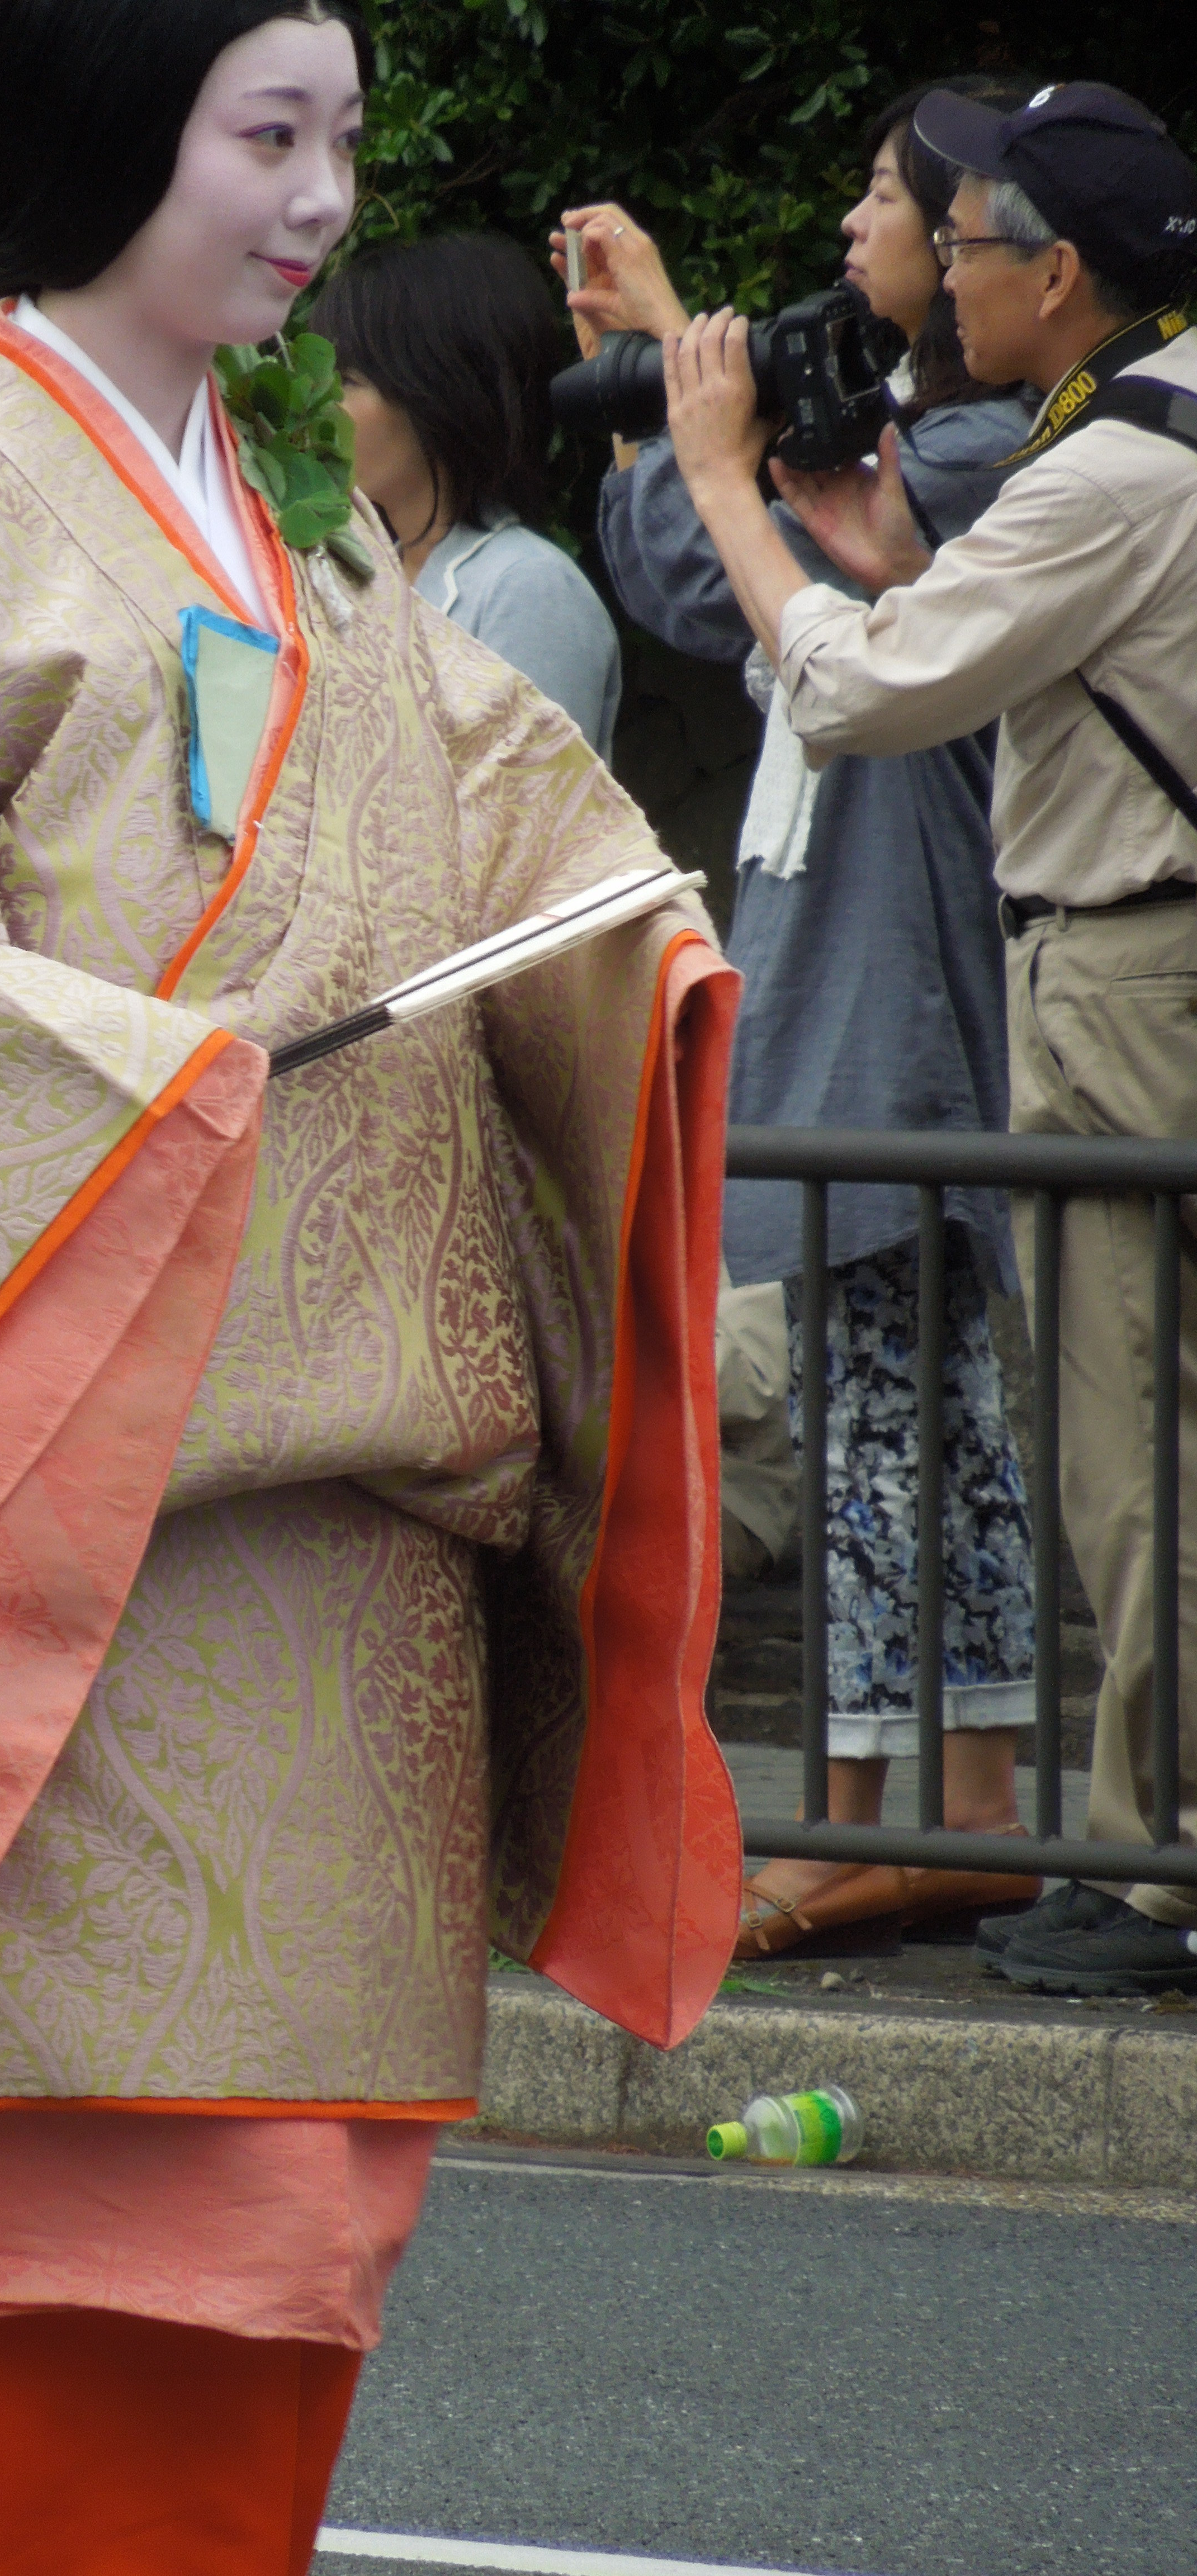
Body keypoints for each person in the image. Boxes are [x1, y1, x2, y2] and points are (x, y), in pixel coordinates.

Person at [0, 1, 739, 2564]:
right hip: (83, 1522)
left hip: (344, 1536)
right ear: (117, 135)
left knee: (273, 2219)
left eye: (339, 136)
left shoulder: (310, 556)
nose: (321, 193)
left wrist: (625, 963)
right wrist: (148, 1110)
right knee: (101, 2246)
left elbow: (517, 868)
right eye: (266, 135)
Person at [660, 81, 1197, 1997]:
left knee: (1131, 1431)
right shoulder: (1125, 434)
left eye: (964, 241)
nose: (941, 270)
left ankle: (1151, 1867)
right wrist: (857, 542)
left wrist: (724, 483)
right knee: (1112, 1424)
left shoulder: (1102, 468)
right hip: (1098, 969)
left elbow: (875, 688)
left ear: (1057, 271)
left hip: (1119, 971)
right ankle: (1121, 1840)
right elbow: (936, 608)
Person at [565, 78, 1044, 1957]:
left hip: (901, 965)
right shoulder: (911, 433)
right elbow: (707, 586)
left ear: (978, 246)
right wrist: (649, 372)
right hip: (843, 954)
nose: (853, 224)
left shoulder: (993, 454)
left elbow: (764, 582)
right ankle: (888, 1809)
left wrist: (706, 445)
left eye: (882, 196)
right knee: (883, 1410)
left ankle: (941, 1813)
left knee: (912, 1415)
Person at [310, 229, 621, 751]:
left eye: (347, 382)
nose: (321, 408)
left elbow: (531, 819)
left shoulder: (527, 588)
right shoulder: (359, 573)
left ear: (436, 393)